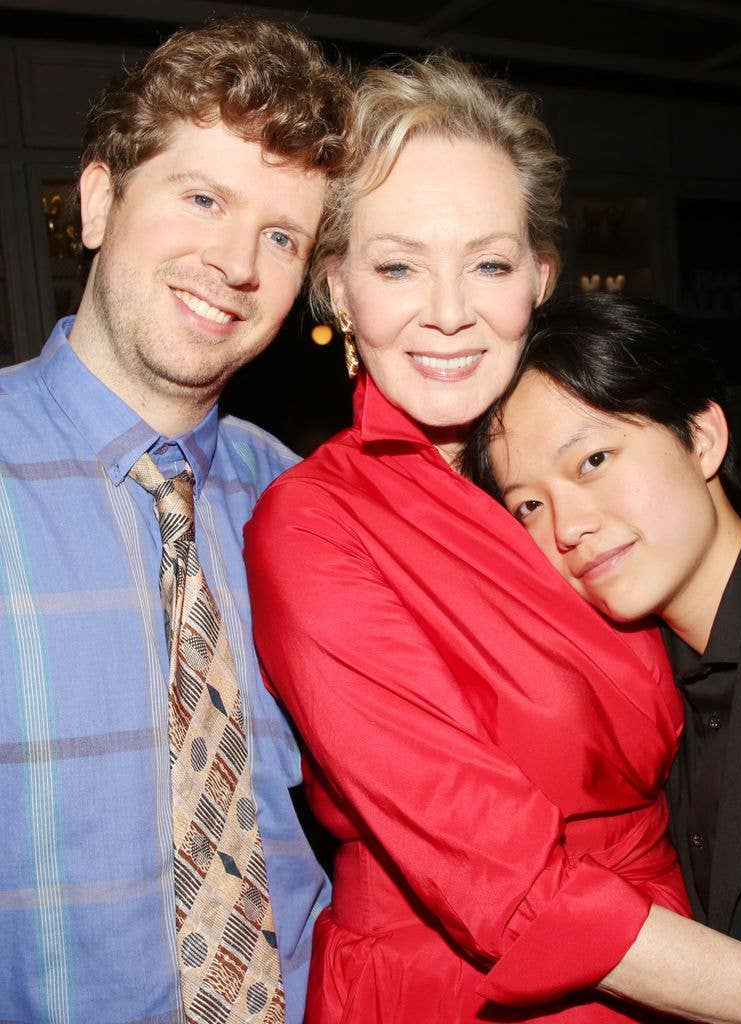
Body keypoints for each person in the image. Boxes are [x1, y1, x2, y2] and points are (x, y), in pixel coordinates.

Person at [243, 52, 741, 1024]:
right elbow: (508, 887)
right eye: (395, 266)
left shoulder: (552, 483)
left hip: (681, 962)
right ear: (335, 287)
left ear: (538, 279)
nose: (449, 310)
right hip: (471, 992)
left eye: (488, 262)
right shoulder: (315, 524)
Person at [0, 15, 350, 1023]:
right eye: (202, 197)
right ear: (100, 199)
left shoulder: (306, 504)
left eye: (279, 236)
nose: (236, 263)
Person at [463, 290, 741, 965]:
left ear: (703, 438)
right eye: (529, 505)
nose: (568, 528)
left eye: (593, 461)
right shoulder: (626, 689)